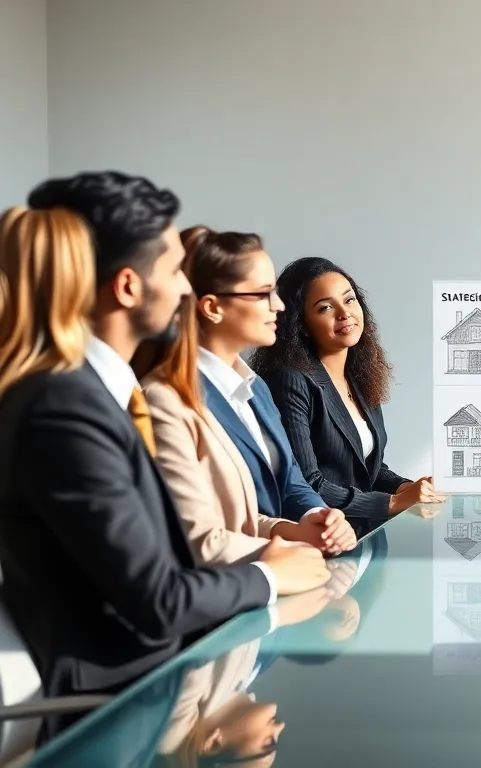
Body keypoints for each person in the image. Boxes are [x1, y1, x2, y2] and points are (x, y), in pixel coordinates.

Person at [0, 173, 329, 740]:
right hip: (118, 717)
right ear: (128, 287)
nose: (185, 290)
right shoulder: (63, 406)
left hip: (162, 692)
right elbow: (159, 600)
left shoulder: (98, 394)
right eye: (176, 269)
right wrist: (269, 575)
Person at [134, 227, 358, 565]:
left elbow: (288, 481)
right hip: (231, 588)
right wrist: (286, 550)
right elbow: (198, 536)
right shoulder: (165, 399)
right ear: (212, 307)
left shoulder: (256, 388)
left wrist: (319, 518)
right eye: (264, 293)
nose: (279, 306)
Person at [251, 256, 441, 535]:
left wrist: (408, 488)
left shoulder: (359, 375)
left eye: (349, 300)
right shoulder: (290, 379)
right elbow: (306, 484)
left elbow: (369, 470)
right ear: (300, 323)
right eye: (325, 307)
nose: (345, 313)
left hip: (366, 537)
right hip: (322, 540)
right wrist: (394, 502)